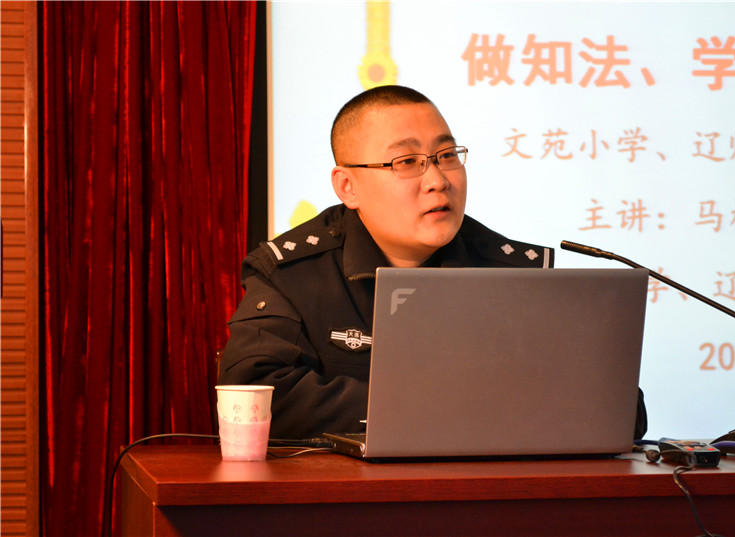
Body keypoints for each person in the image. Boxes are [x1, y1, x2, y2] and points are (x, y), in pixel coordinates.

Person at [219, 85, 647, 440]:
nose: (438, 180)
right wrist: (440, 408)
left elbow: (621, 409)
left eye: (447, 156)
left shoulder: (515, 274)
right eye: (407, 162)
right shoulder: (292, 273)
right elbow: (251, 393)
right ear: (348, 186)